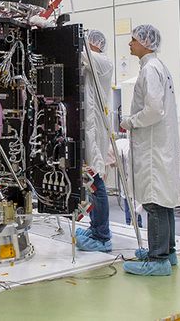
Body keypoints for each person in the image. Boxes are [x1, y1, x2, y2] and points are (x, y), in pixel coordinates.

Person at [120, 25, 180, 276]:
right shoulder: (159, 67)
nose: (130, 43)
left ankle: (157, 260)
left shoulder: (150, 70)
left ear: (146, 43)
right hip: (160, 145)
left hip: (153, 147)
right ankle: (168, 252)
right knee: (164, 200)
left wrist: (130, 121)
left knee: (154, 201)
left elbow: (154, 110)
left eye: (133, 39)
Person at [76, 29, 114, 253]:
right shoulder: (90, 62)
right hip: (87, 129)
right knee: (91, 182)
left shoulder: (102, 61)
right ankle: (96, 228)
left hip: (95, 131)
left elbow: (81, 53)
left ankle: (102, 236)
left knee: (96, 182)